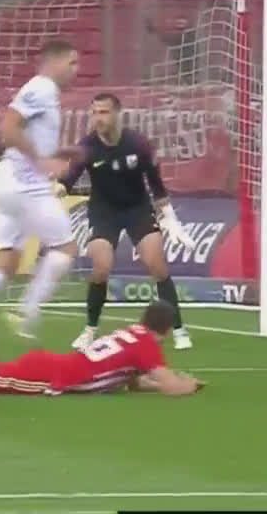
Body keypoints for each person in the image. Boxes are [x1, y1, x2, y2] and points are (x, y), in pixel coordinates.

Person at [59, 93, 195, 351]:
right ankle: (90, 330)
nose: (98, 118)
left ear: (117, 114)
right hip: (104, 212)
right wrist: (53, 191)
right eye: (94, 112)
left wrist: (172, 221)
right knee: (101, 267)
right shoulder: (86, 146)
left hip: (137, 209)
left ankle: (178, 329)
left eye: (104, 112)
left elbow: (157, 187)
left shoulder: (138, 144)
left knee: (157, 266)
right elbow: (68, 180)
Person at [0, 39, 79, 338]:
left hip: (8, 183)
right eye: (71, 62)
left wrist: (55, 154)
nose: (75, 69)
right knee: (66, 248)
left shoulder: (44, 91)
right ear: (53, 61)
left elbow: (24, 133)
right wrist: (41, 161)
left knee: (7, 263)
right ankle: (26, 312)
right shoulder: (41, 88)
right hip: (26, 184)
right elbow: (9, 128)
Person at [0, 290, 203, 396]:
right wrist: (187, 384)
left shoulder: (133, 333)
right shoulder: (147, 345)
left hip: (53, 364)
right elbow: (171, 388)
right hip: (57, 377)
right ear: (167, 329)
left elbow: (133, 381)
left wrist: (161, 383)